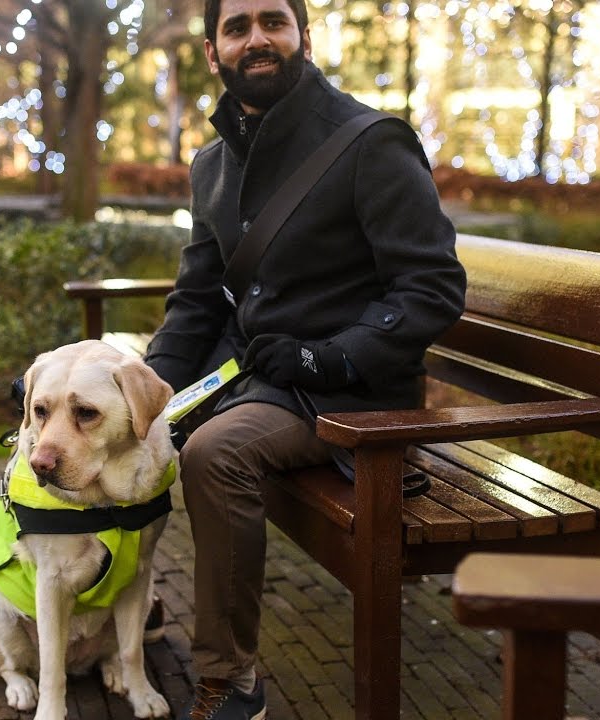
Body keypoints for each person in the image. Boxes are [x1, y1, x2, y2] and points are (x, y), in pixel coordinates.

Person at [142, 1, 467, 718]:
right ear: (212, 51)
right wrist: (145, 392)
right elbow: (198, 297)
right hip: (266, 379)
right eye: (237, 26)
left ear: (303, 37)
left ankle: (232, 682)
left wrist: (329, 359)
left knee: (214, 453)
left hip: (357, 394)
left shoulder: (369, 142)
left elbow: (434, 287)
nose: (256, 38)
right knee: (116, 427)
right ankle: (127, 605)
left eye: (273, 21)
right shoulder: (213, 163)